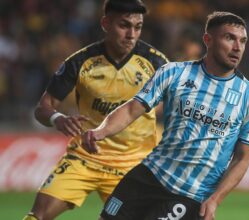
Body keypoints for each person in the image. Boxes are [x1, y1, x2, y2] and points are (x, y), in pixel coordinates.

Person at [82, 11, 249, 220]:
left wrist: (215, 199)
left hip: (190, 195)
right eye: (229, 38)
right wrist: (101, 131)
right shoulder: (174, 73)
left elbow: (242, 158)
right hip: (148, 176)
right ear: (208, 40)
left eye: (242, 41)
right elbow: (133, 108)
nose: (237, 47)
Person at [23, 0, 168, 219]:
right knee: (38, 215)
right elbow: (43, 107)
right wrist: (58, 119)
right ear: (105, 23)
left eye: (137, 27)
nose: (131, 34)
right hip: (84, 157)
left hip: (134, 164)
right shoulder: (80, 62)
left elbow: (179, 106)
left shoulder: (156, 63)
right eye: (124, 25)